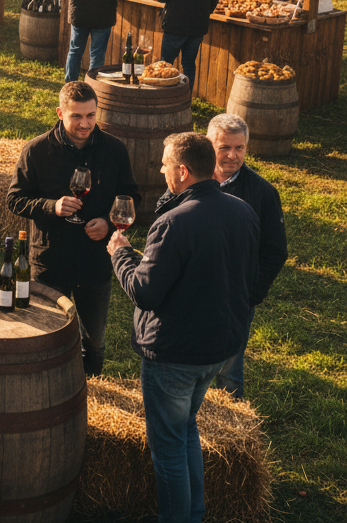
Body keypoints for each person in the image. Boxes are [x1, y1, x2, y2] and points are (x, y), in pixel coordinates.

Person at [108, 132, 259, 523]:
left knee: (169, 448)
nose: (160, 169)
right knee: (186, 430)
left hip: (175, 354)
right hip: (218, 349)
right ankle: (194, 513)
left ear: (182, 171)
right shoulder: (242, 211)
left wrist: (121, 254)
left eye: (164, 164)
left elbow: (144, 291)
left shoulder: (173, 223)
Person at [6, 80, 140, 376]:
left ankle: (90, 386)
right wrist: (50, 207)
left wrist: (107, 222)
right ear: (59, 113)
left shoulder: (114, 150)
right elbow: (15, 199)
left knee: (94, 339)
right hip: (50, 259)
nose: (85, 123)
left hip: (95, 260)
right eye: (76, 116)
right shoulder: (37, 151)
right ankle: (47, 387)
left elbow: (132, 196)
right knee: (45, 334)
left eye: (91, 115)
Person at [207, 112, 287, 399]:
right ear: (208, 145)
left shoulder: (263, 193)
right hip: (195, 291)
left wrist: (251, 293)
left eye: (239, 148)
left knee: (229, 367)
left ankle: (231, 425)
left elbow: (275, 250)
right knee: (193, 363)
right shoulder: (190, 181)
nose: (232, 155)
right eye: (224, 147)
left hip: (236, 295)